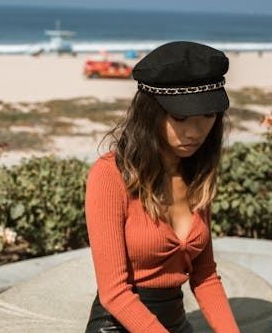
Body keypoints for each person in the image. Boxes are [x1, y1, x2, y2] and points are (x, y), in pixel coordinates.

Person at [84, 41, 240, 333]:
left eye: (208, 116)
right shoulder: (110, 175)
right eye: (180, 118)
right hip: (118, 325)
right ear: (150, 113)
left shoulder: (197, 172)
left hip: (175, 323)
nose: (195, 132)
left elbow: (205, 276)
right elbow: (114, 293)